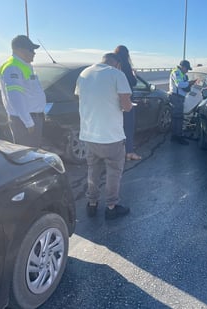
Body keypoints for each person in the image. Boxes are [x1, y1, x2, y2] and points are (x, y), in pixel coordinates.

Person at [75, 53, 133, 219]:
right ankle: (111, 207)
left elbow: (84, 99)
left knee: (93, 170)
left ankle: (92, 204)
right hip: (111, 136)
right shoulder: (117, 74)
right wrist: (127, 105)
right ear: (117, 63)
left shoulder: (84, 73)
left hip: (89, 134)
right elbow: (126, 105)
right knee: (113, 172)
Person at [0, 35, 46, 147]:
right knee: (26, 156)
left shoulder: (26, 66)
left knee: (33, 154)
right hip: (24, 120)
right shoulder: (12, 67)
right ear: (19, 50)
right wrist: (28, 122)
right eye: (31, 49)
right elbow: (15, 97)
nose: (34, 53)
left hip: (32, 117)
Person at [114, 45, 141, 161]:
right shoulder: (125, 65)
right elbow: (133, 82)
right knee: (128, 127)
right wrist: (134, 75)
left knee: (116, 129)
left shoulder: (112, 65)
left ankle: (116, 153)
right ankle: (129, 152)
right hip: (126, 100)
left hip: (113, 102)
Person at [168, 60, 196, 145]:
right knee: (178, 117)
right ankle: (178, 136)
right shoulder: (176, 72)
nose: (187, 71)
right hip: (176, 97)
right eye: (187, 69)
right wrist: (189, 83)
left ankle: (175, 135)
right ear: (183, 67)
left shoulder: (182, 73)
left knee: (176, 117)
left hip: (179, 97)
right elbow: (179, 84)